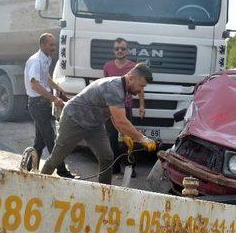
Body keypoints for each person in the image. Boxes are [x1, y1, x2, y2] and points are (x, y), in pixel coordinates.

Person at [40, 63, 157, 184]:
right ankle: (38, 184)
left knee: (106, 157)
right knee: (57, 158)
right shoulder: (114, 87)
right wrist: (142, 139)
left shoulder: (123, 88)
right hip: (74, 119)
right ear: (131, 77)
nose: (141, 90)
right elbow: (121, 121)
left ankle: (104, 192)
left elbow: (114, 115)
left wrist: (124, 134)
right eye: (141, 86)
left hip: (94, 124)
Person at [24, 33, 74, 178]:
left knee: (39, 142)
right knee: (51, 139)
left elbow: (45, 77)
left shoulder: (46, 58)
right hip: (37, 104)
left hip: (42, 103)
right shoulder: (35, 61)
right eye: (51, 45)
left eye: (54, 44)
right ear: (42, 45)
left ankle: (29, 171)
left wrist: (58, 88)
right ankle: (62, 171)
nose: (54, 47)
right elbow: (35, 85)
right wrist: (54, 99)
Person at [103, 38, 146, 176]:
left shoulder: (134, 67)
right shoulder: (108, 66)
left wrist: (141, 105)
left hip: (126, 107)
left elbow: (140, 88)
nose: (120, 51)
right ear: (113, 50)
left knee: (129, 137)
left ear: (127, 50)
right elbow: (104, 86)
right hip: (111, 109)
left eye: (122, 48)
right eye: (117, 49)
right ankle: (114, 167)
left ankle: (130, 167)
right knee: (112, 138)